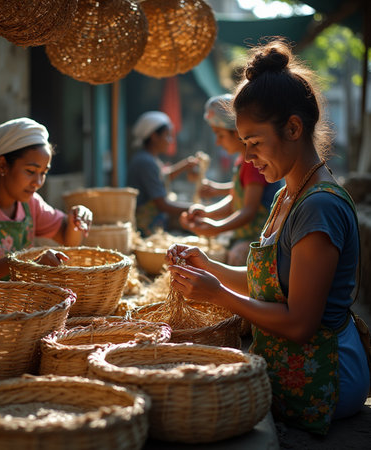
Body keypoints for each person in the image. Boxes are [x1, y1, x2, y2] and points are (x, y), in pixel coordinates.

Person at [166, 38, 369, 435]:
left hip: (326, 378)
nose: (247, 157)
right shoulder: (286, 194)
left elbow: (299, 323)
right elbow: (271, 286)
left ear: (293, 127)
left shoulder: (319, 207)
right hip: (290, 363)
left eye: (255, 143)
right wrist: (210, 267)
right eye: (244, 144)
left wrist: (217, 294)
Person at [0, 117, 93, 280]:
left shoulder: (31, 203)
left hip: (14, 303)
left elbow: (67, 238)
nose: (38, 183)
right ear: (2, 165)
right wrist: (25, 262)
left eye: (43, 173)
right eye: (30, 171)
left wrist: (75, 220)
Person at [180, 94, 281, 265]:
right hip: (245, 234)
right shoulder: (242, 161)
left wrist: (216, 227)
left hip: (261, 239)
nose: (218, 143)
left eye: (220, 135)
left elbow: (248, 211)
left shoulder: (253, 164)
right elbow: (235, 201)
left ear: (237, 133)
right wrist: (207, 213)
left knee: (236, 256)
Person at [127, 111, 199, 236]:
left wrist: (185, 165)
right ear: (154, 136)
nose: (170, 141)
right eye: (167, 135)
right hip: (145, 230)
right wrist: (195, 207)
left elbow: (161, 178)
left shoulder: (149, 158)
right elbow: (163, 205)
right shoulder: (146, 162)